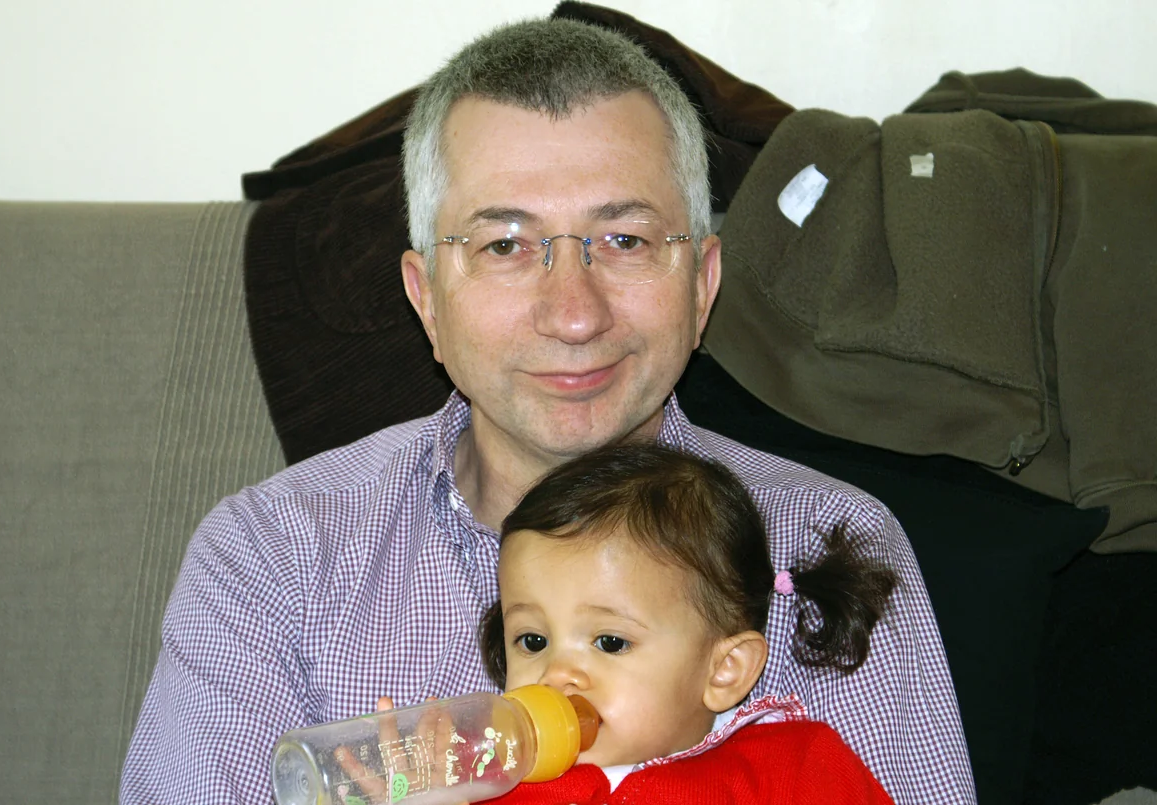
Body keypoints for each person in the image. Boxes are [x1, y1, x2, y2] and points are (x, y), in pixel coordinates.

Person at [121, 17, 974, 805]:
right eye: (505, 244)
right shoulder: (274, 559)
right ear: (426, 298)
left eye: (626, 240)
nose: (574, 315)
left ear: (703, 283)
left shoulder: (828, 541)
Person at [477, 442, 895, 804]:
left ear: (725, 669)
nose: (554, 675)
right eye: (532, 641)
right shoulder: (490, 776)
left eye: (610, 642)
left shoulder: (796, 770)